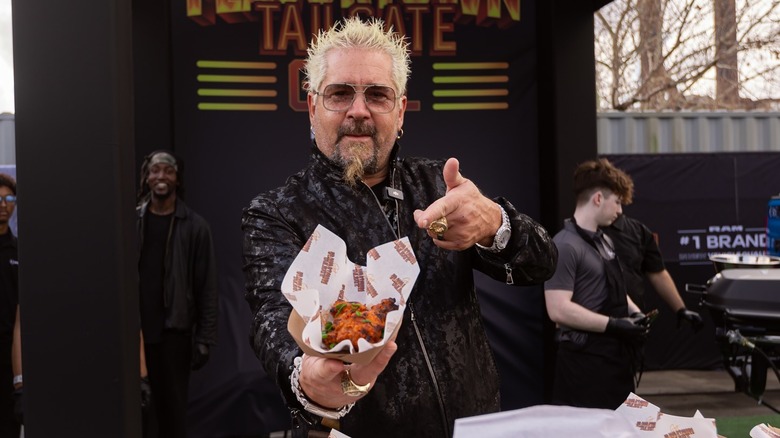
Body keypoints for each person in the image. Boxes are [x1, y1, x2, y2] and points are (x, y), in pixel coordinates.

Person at [241, 16, 558, 438]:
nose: (359, 110)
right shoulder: (276, 213)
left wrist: (495, 224)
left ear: (401, 109)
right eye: (339, 94)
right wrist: (307, 379)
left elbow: (541, 264)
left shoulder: (439, 187)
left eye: (377, 94)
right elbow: (273, 321)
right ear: (313, 107)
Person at [544, 158, 648, 410]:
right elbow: (557, 310)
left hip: (615, 363)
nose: (620, 210)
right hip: (583, 368)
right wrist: (615, 325)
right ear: (598, 199)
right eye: (617, 202)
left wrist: (635, 314)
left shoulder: (605, 241)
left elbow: (615, 290)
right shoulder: (565, 246)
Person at [137, 150, 218, 438]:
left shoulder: (195, 226)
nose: (161, 177)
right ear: (146, 178)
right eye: (155, 171)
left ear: (177, 178)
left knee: (173, 413)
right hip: (138, 338)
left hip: (175, 336)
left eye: (168, 171)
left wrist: (205, 338)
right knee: (140, 413)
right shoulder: (132, 223)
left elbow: (207, 286)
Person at [603, 212, 703, 330]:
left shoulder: (638, 231)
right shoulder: (583, 232)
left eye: (618, 200)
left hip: (633, 322)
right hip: (594, 322)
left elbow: (657, 272)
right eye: (614, 200)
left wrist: (680, 309)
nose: (617, 207)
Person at [0, 174, 20, 437]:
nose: (3, 204)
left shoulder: (20, 252)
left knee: (9, 422)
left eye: (9, 198)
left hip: (10, 353)